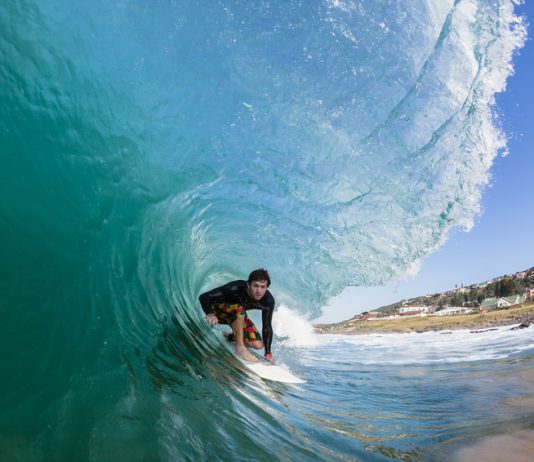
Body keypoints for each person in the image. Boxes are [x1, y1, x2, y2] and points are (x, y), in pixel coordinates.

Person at [199, 268, 275, 363]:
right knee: (240, 308)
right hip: (218, 312)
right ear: (248, 284)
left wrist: (268, 353)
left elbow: (267, 327)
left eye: (262, 287)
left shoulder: (268, 301)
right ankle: (240, 349)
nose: (259, 291)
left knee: (258, 345)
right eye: (255, 286)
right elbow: (204, 296)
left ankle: (231, 337)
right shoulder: (235, 288)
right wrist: (210, 313)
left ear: (267, 287)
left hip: (237, 316)